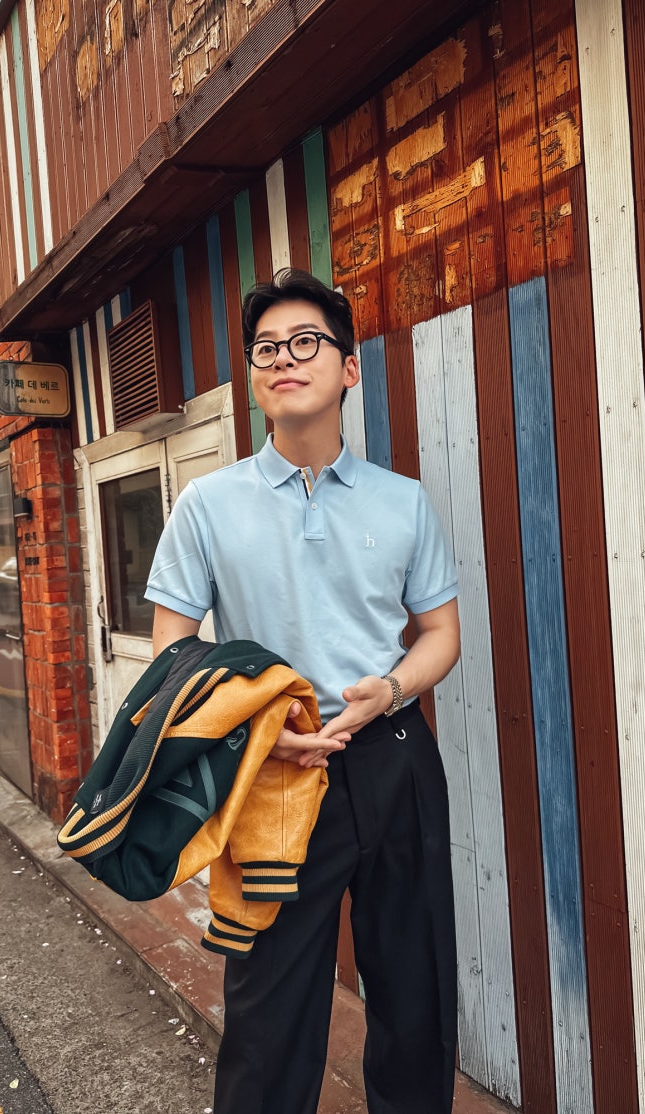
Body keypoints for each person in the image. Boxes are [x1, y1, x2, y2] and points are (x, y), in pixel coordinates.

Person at [145, 268, 460, 1114]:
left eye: (305, 342)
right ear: (254, 379)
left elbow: (441, 634)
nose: (283, 358)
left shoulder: (403, 502)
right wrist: (252, 729)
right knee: (269, 1015)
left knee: (416, 995)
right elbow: (171, 650)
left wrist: (390, 687)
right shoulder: (207, 505)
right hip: (274, 771)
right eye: (265, 349)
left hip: (393, 757)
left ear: (349, 368)